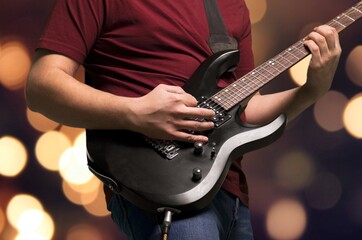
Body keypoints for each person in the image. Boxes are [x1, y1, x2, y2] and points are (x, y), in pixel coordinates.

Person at [26, 0, 341, 239]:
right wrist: (136, 112)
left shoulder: (231, 6)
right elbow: (41, 86)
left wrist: (310, 92)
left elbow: (245, 110)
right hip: (160, 190)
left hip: (230, 197)